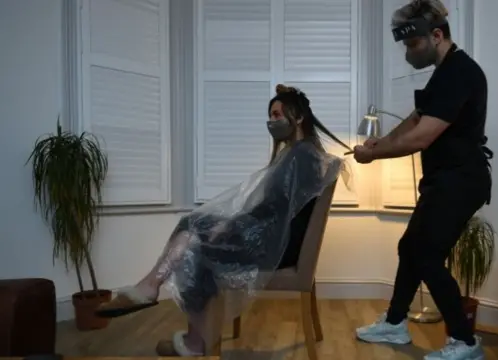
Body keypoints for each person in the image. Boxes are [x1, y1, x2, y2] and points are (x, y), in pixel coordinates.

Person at [96, 84, 351, 356]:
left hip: (278, 248)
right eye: (271, 116)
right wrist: (231, 226)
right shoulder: (298, 154)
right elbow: (274, 210)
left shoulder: (302, 156)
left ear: (298, 117)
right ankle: (177, 318)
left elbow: (276, 212)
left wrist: (231, 227)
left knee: (194, 236)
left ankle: (160, 299)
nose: (272, 121)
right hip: (275, 240)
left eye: (278, 115)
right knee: (195, 234)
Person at [352, 1, 492, 359]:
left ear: (436, 35)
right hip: (445, 180)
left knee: (427, 255)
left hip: (461, 180)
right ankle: (396, 323)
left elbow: (422, 137)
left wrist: (374, 155)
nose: (408, 53)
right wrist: (380, 142)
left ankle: (465, 342)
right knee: (410, 249)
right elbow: (415, 120)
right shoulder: (444, 74)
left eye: (412, 45)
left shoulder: (460, 72)